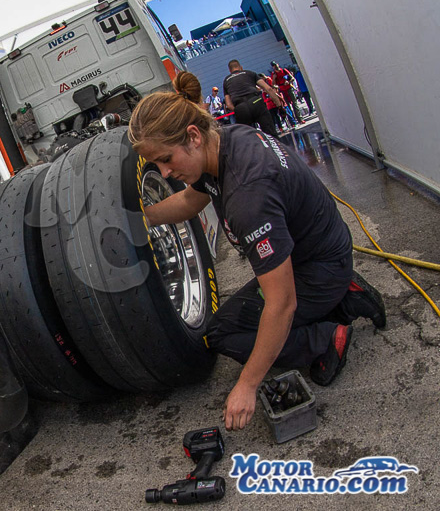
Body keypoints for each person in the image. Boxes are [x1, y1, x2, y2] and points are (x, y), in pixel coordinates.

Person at [127, 73, 387, 431]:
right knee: (246, 316)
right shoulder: (225, 141)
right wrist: (141, 218)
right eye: (157, 164)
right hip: (318, 252)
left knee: (225, 335)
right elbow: (190, 201)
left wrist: (247, 385)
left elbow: (282, 304)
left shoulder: (248, 197)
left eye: (166, 159)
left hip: (317, 268)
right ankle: (344, 294)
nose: (165, 171)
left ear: (193, 136)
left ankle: (327, 338)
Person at [222, 59, 282, 137]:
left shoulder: (226, 81)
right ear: (241, 67)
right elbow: (268, 89)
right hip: (256, 102)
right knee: (271, 134)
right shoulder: (250, 73)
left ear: (230, 71)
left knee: (248, 138)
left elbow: (228, 105)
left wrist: (237, 110)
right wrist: (279, 106)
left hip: (240, 107)